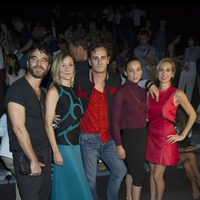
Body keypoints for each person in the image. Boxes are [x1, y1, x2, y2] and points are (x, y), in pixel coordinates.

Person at [74, 42, 159, 200]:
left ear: (108, 60)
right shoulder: (80, 79)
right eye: (95, 58)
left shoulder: (115, 80)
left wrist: (150, 84)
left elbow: (133, 80)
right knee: (90, 180)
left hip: (108, 138)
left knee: (120, 171)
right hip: (87, 139)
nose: (99, 61)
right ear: (90, 61)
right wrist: (54, 111)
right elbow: (60, 86)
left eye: (103, 58)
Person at [5, 43, 53, 200]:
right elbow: (18, 128)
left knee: (45, 197)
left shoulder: (44, 92)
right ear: (27, 63)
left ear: (49, 66)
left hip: (44, 153)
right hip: (27, 155)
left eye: (44, 60)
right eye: (34, 59)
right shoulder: (17, 89)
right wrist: (33, 159)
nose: (39, 63)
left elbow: (42, 120)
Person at [145, 57, 197, 200]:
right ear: (157, 73)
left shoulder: (177, 93)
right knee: (152, 173)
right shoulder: (150, 93)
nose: (164, 73)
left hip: (166, 138)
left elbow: (192, 114)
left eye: (168, 70)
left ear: (173, 74)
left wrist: (182, 136)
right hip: (151, 137)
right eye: (161, 70)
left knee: (157, 175)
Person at [45, 51, 92, 200]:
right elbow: (47, 123)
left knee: (71, 189)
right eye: (63, 65)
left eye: (70, 65)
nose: (67, 69)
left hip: (75, 146)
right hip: (63, 148)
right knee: (78, 188)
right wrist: (55, 151)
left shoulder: (73, 91)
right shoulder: (54, 90)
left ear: (74, 68)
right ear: (57, 68)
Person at [112, 57, 148, 200]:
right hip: (130, 137)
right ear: (125, 73)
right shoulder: (121, 92)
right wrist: (119, 145)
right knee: (139, 174)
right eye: (131, 71)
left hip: (142, 133)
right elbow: (115, 122)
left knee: (132, 170)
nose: (135, 73)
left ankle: (128, 197)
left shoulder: (142, 90)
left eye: (138, 70)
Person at [0, 113, 21, 200]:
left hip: (4, 153)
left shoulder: (7, 113)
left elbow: (0, 131)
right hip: (15, 153)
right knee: (26, 180)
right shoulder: (30, 111)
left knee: (20, 178)